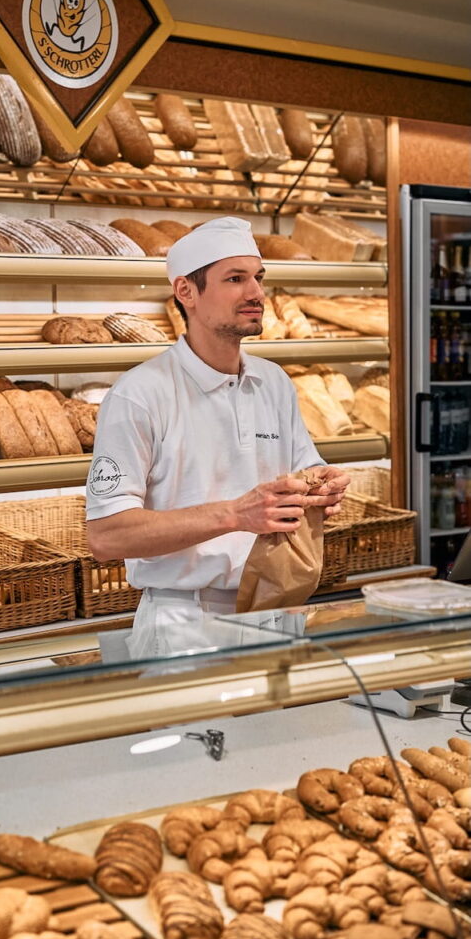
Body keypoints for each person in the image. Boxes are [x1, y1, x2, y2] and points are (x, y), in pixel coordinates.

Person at [86, 217, 350, 658]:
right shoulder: (139, 395)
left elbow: (303, 475)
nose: (256, 294)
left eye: (258, 278)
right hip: (185, 625)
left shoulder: (274, 382)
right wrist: (235, 514)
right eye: (235, 279)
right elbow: (107, 536)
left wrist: (322, 490)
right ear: (186, 292)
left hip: (274, 610)